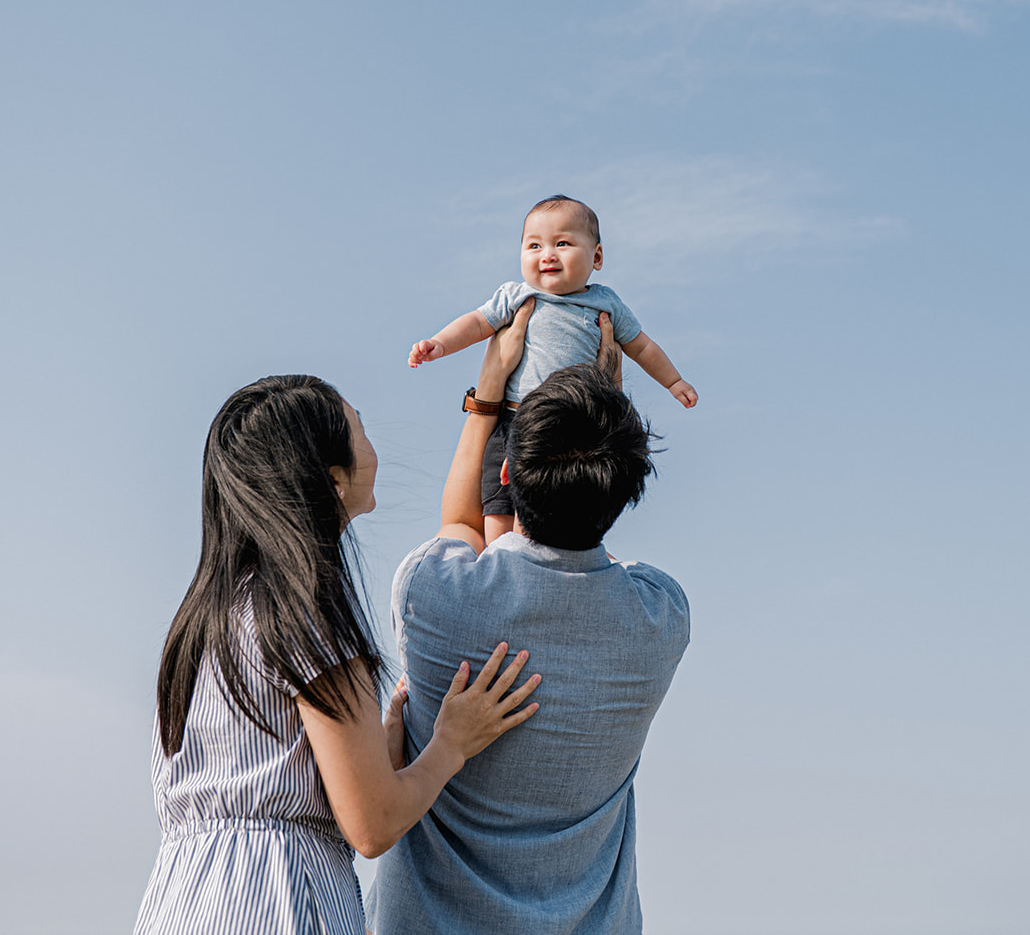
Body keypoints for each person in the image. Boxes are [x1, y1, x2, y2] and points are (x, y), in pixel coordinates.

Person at [132, 368, 542, 935]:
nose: (373, 444)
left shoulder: (207, 618)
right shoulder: (306, 613)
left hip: (182, 897)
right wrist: (451, 743)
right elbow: (372, 827)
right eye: (360, 426)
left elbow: (270, 772)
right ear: (332, 481)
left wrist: (382, 756)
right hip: (280, 898)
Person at [369, 311, 692, 934]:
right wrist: (606, 414)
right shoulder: (661, 617)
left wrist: (488, 394)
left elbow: (460, 524)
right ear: (626, 490)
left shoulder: (432, 596)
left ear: (508, 475)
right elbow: (601, 539)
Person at [406, 194, 698, 543]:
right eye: (533, 245)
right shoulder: (516, 295)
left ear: (597, 256)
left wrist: (673, 381)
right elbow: (476, 322)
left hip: (573, 426)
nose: (547, 254)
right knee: (497, 506)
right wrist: (440, 344)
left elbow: (642, 346)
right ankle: (501, 557)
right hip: (514, 418)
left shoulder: (605, 303)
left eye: (562, 243)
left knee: (561, 508)